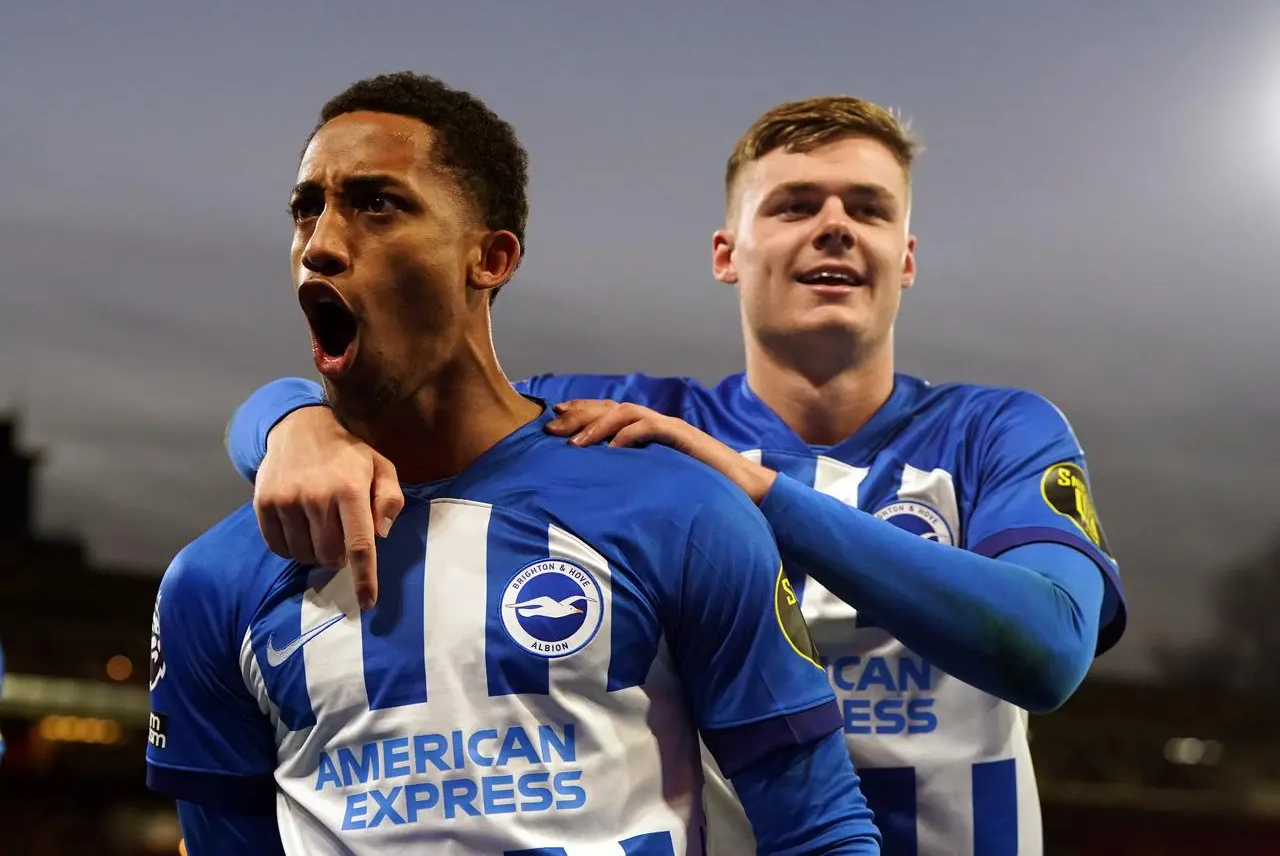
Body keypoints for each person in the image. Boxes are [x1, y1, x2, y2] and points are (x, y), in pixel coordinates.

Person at [225, 95, 1127, 855]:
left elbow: (1048, 649)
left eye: (869, 207)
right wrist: (289, 422)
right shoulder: (627, 420)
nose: (835, 227)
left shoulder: (996, 430)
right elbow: (428, 403)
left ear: (907, 257)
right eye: (794, 204)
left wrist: (762, 493)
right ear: (726, 253)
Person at [145, 73, 881, 856]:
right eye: (306, 209)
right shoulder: (215, 581)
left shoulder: (679, 514)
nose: (321, 243)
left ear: (489, 258)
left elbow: (820, 831)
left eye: (376, 203)